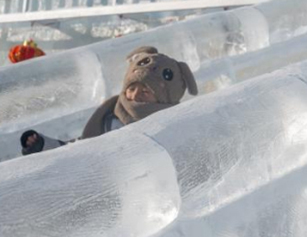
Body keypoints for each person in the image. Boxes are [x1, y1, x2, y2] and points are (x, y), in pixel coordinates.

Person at [20, 46, 197, 155]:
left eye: (145, 91)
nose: (135, 96)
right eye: (132, 88)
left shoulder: (168, 129)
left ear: (165, 99)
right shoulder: (109, 119)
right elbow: (78, 150)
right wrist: (44, 145)